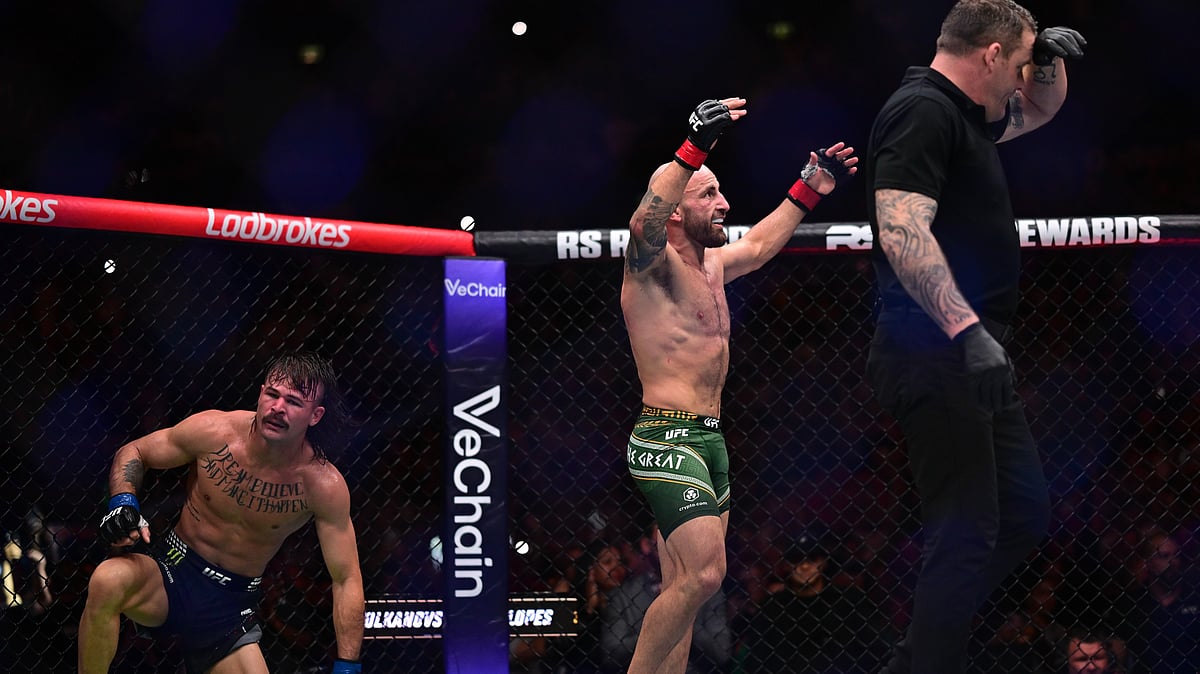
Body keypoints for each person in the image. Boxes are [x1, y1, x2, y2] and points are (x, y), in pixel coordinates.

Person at [862, 1, 1086, 672]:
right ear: (990, 56)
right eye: (1018, 63)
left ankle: (920, 651)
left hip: (972, 350)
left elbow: (1041, 110)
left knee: (1022, 512)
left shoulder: (966, 114)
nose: (1023, 78)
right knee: (965, 531)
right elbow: (901, 230)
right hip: (936, 348)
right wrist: (965, 331)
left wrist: (1045, 57)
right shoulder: (922, 112)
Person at [620, 96, 857, 673]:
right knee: (705, 573)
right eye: (707, 194)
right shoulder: (651, 267)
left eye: (721, 191)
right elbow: (641, 223)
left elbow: (761, 242)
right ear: (676, 210)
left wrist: (810, 187)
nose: (724, 203)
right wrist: (693, 145)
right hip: (665, 438)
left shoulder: (715, 265)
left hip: (710, 439)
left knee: (689, 587)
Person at [77, 351, 365, 674]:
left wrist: (348, 666)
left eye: (294, 402)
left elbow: (347, 578)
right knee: (107, 580)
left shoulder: (323, 485)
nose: (277, 408)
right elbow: (135, 450)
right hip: (172, 572)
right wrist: (123, 502)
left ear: (315, 416)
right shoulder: (215, 431)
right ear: (260, 393)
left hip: (230, 607)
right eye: (272, 394)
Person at [742, 532, 891, 673]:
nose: (805, 566)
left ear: (823, 562)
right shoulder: (772, 608)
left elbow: (876, 649)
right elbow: (756, 662)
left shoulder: (847, 600)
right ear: (786, 565)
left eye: (811, 558)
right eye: (796, 559)